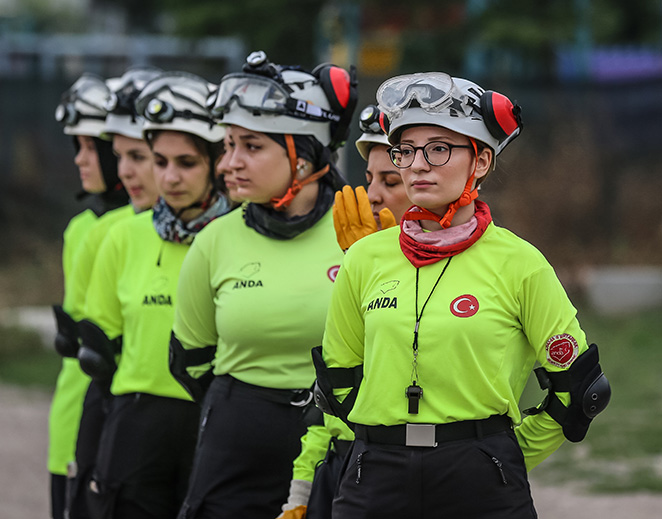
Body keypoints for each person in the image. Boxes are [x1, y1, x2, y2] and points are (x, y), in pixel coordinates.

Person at [315, 72, 611, 519]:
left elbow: (581, 390)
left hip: (482, 477)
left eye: (438, 149)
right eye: (406, 151)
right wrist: (378, 447)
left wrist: (504, 455)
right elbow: (338, 380)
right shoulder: (363, 258)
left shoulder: (521, 263)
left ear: (481, 161)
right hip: (374, 478)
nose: (416, 165)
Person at [170, 50, 357, 519]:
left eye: (251, 147)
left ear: (303, 156)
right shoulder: (214, 241)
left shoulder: (362, 234)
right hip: (238, 436)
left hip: (338, 434)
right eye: (228, 145)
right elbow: (189, 359)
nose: (227, 163)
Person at [77, 71, 231, 519]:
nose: (170, 177)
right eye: (160, 162)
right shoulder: (123, 236)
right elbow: (102, 349)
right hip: (134, 422)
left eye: (186, 162)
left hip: (210, 419)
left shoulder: (238, 236)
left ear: (216, 162)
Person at [277, 104, 412, 519]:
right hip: (339, 466)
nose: (372, 194)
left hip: (404, 467)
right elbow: (331, 398)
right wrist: (299, 494)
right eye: (369, 179)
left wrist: (396, 273)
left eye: (391, 181)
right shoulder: (358, 261)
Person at [49, 72, 129, 519]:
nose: (80, 160)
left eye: (89, 147)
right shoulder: (82, 228)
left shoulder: (110, 229)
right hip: (77, 417)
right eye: (76, 146)